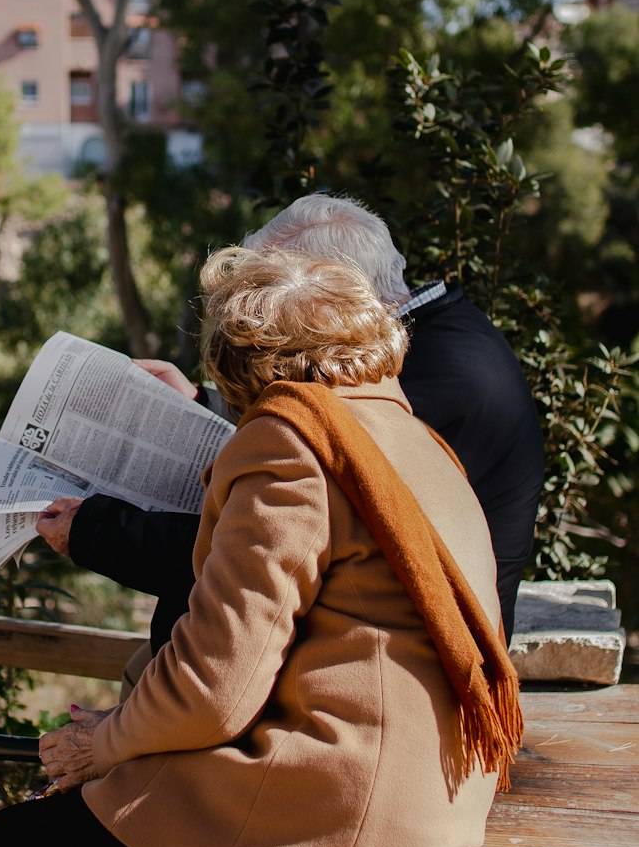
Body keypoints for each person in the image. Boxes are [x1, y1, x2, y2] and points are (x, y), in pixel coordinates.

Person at [0, 248, 522, 847]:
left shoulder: (290, 447)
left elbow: (216, 685)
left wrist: (104, 744)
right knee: (122, 836)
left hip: (337, 809)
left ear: (240, 361)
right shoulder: (410, 440)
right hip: (423, 801)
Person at [55, 194, 544, 648]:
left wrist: (96, 532)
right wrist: (200, 404)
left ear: (328, 294)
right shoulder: (421, 344)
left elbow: (260, 543)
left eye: (273, 297)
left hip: (400, 669)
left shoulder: (429, 380)